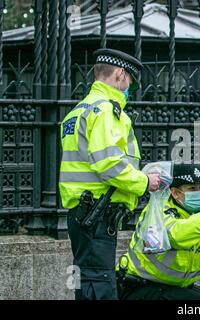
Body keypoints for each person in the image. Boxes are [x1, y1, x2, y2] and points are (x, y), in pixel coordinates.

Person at [59, 48, 161, 300]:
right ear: (119, 74)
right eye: (130, 83)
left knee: (87, 281)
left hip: (82, 214)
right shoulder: (106, 110)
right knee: (100, 285)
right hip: (97, 215)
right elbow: (109, 164)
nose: (129, 89)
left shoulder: (79, 110)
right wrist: (145, 181)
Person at [116, 164, 200, 300]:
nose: (198, 193)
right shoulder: (157, 212)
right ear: (175, 192)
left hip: (173, 288)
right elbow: (176, 234)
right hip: (139, 288)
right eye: (192, 188)